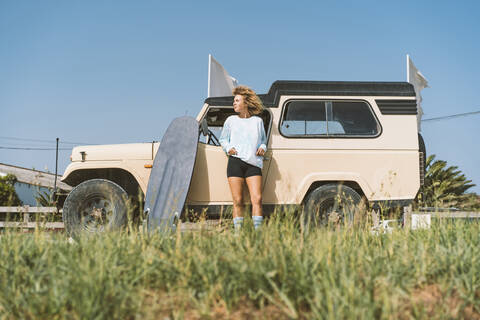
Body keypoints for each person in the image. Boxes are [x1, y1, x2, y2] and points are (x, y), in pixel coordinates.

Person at [219, 85, 267, 231]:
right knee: (238, 200)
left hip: (254, 163)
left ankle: (258, 234)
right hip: (236, 162)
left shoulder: (257, 122)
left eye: (237, 100)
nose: (234, 103)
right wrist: (228, 149)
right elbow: (223, 139)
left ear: (246, 103)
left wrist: (263, 148)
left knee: (257, 199)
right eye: (234, 101)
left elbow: (263, 141)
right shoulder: (231, 120)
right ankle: (238, 234)